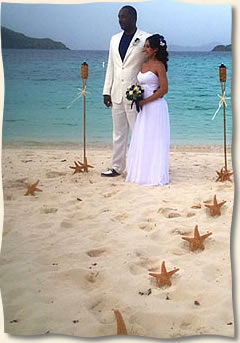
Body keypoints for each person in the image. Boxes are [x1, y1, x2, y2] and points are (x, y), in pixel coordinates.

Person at [101, 6, 149, 177]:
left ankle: (141, 167)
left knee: (138, 133)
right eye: (119, 17)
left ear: (134, 18)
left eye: (124, 17)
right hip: (116, 93)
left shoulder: (145, 38)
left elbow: (152, 65)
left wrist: (148, 90)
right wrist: (106, 91)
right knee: (118, 133)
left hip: (135, 93)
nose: (120, 20)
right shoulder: (114, 39)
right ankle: (117, 167)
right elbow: (112, 66)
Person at [126, 34, 170, 186]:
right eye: (144, 46)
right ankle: (142, 171)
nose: (144, 49)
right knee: (143, 137)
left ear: (155, 50)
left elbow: (164, 89)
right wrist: (136, 96)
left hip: (155, 107)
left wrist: (145, 101)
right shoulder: (143, 65)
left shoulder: (159, 66)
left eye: (147, 46)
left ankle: (154, 174)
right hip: (144, 108)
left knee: (155, 139)